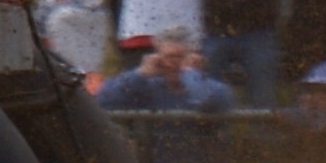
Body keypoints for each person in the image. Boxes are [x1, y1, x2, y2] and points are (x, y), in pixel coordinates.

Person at [96, 24, 236, 114]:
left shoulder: (216, 89)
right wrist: (140, 74)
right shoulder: (147, 88)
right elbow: (102, 101)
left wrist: (189, 73)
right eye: (168, 57)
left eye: (179, 57)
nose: (172, 65)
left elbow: (207, 102)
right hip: (152, 158)